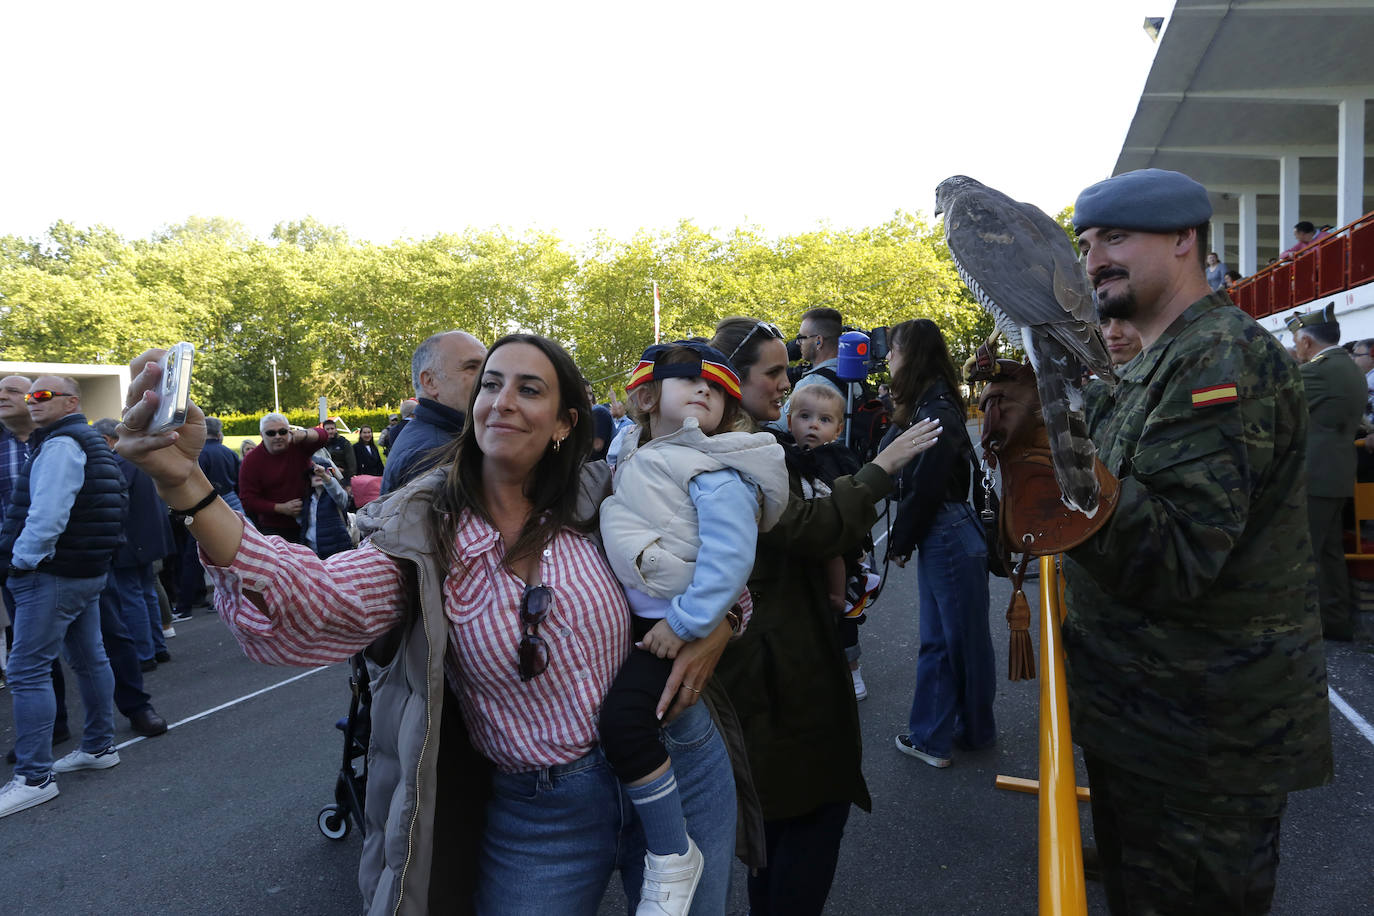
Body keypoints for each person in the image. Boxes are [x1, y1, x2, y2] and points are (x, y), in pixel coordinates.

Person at [115, 335, 748, 915]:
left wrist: (723, 623)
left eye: (530, 389)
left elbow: (710, 553)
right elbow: (308, 600)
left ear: (565, 424)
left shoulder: (602, 494)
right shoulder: (424, 529)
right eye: (490, 384)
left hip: (678, 760)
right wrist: (188, 485)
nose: (502, 401)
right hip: (541, 809)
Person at [986, 167, 1332, 912]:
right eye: (1083, 244)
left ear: (1184, 240)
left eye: (1116, 237)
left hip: (1201, 742)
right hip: (1151, 721)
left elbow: (1175, 559)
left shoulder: (1219, 359)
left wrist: (1054, 456)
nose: (1092, 260)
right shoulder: (1158, 362)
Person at [705, 317, 940, 916]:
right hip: (777, 676)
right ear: (734, 375)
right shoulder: (735, 454)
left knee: (781, 830)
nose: (790, 383)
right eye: (776, 371)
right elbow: (816, 528)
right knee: (803, 823)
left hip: (783, 664)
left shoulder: (760, 444)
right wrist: (881, 469)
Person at [598, 341, 789, 913]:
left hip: (668, 621)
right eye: (689, 381)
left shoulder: (716, 468)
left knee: (626, 723)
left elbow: (733, 561)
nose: (704, 390)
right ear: (650, 396)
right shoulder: (631, 447)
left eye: (718, 389)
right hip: (645, 612)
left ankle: (672, 853)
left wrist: (684, 624)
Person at [0, 377, 126, 818]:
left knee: (27, 669)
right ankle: (98, 746)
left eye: (42, 395)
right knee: (90, 658)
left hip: (52, 573)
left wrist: (21, 561)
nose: (33, 402)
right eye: (29, 395)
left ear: (71, 401)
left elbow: (47, 514)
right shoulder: (89, 441)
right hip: (84, 570)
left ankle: (35, 777)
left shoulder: (60, 444)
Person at [882, 319, 995, 769]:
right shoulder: (940, 404)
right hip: (953, 530)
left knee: (943, 642)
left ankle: (931, 739)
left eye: (893, 351)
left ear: (911, 355)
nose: (888, 359)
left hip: (944, 530)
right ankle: (972, 730)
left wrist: (901, 541)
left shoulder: (933, 412)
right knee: (962, 639)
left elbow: (924, 489)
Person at [784, 383, 873, 700]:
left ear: (837, 429)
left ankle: (853, 670)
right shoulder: (785, 455)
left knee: (843, 613)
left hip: (832, 542)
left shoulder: (836, 458)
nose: (812, 425)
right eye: (805, 416)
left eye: (823, 420)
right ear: (790, 419)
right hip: (802, 551)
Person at [1289, 308, 1368, 641]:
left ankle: (1300, 625)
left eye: (1297, 343)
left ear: (1306, 342)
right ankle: (1334, 619)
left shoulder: (1319, 371)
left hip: (1315, 474)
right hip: (1336, 472)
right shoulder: (1348, 367)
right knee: (1329, 551)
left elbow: (1277, 396)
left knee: (1303, 551)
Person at [382, 331, 487, 493]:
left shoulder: (434, 438)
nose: (487, 377)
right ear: (430, 382)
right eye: (472, 367)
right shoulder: (436, 454)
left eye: (487, 368)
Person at [237, 413, 328, 541]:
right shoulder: (251, 461)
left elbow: (323, 436)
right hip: (274, 527)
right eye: (271, 433)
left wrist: (304, 434)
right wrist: (281, 508)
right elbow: (248, 500)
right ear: (262, 435)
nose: (278, 436)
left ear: (289, 432)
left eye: (283, 431)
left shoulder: (298, 445)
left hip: (311, 520)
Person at [321, 418, 357, 482]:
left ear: (336, 430)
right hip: (324, 476)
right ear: (323, 430)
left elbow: (352, 465)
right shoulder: (320, 444)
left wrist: (347, 478)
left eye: (332, 429)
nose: (330, 431)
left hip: (342, 476)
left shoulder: (344, 443)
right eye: (327, 429)